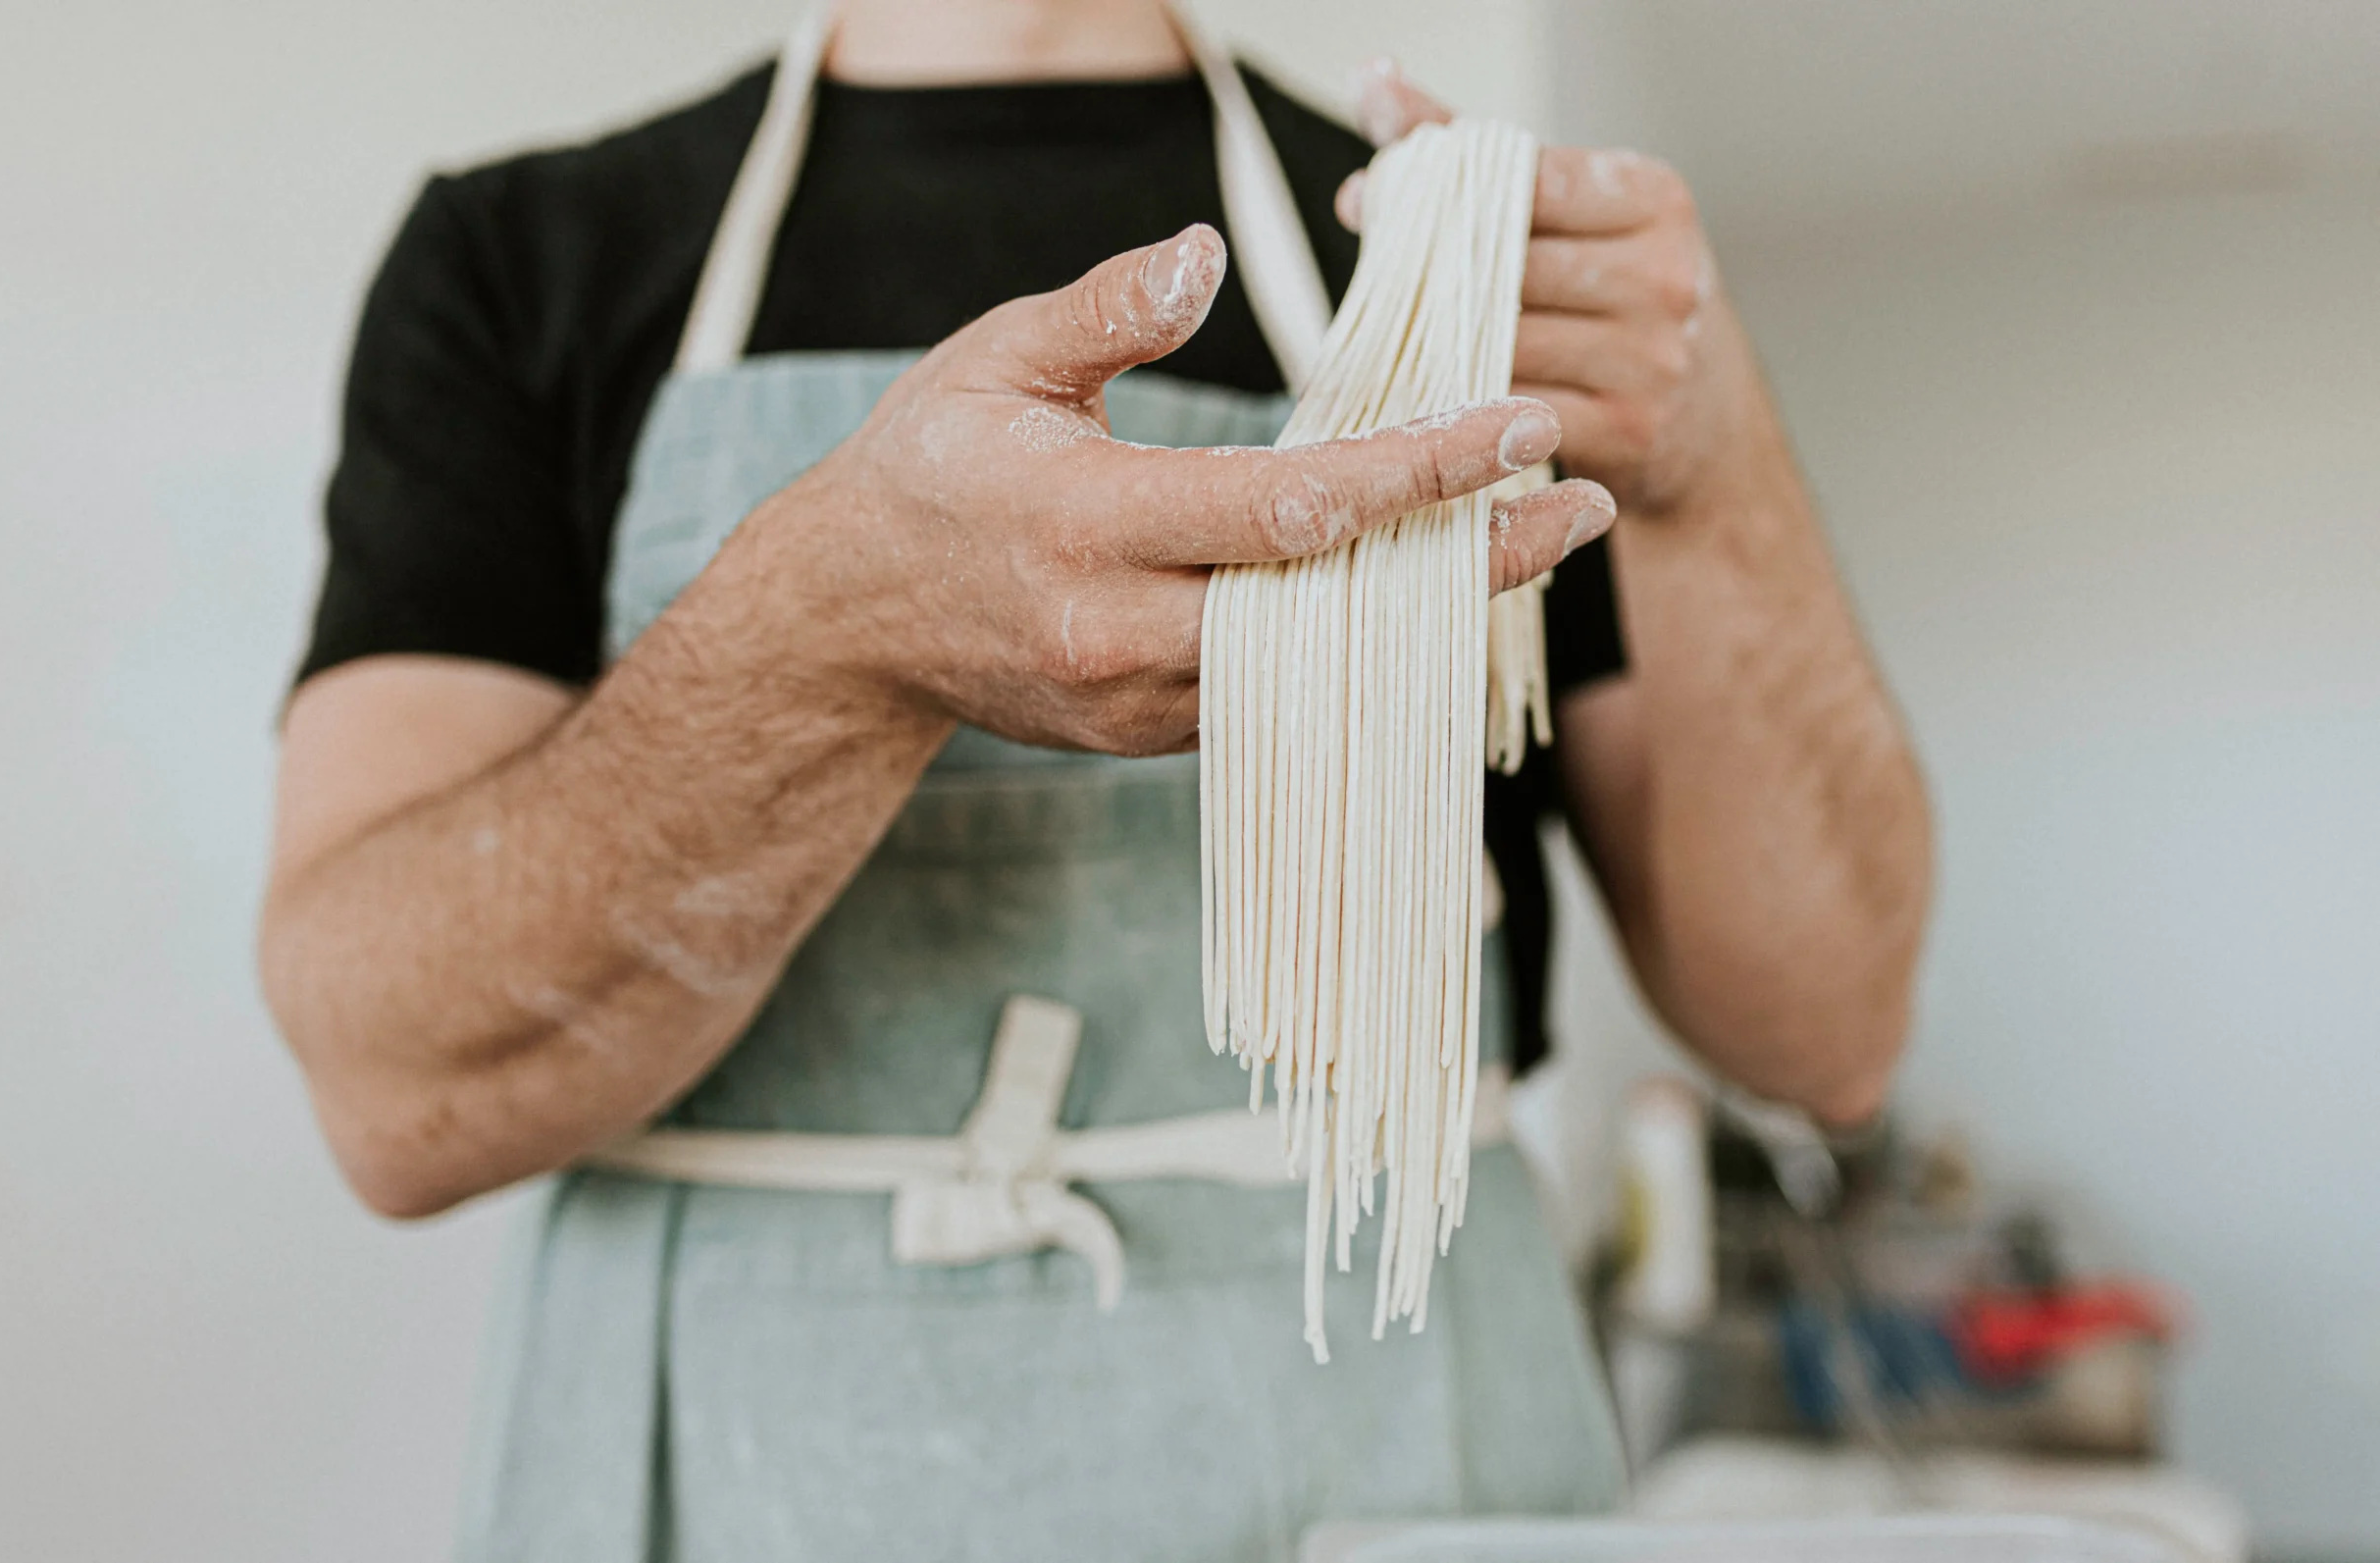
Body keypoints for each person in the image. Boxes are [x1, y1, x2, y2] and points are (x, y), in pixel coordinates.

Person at [259, 1, 1933, 1557]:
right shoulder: (522, 260)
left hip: (1394, 1456)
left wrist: (1713, 460)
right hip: (738, 1479)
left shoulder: (1446, 262)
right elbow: (399, 1093)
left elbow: (1824, 1030)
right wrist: (825, 631)